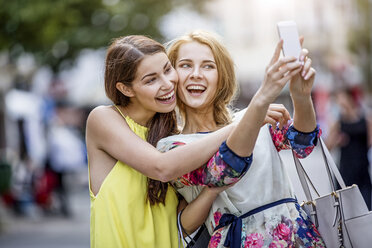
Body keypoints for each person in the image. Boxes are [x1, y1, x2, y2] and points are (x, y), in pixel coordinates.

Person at [85, 35, 291, 247]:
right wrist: (245, 122)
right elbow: (162, 167)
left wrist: (214, 186)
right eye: (151, 79)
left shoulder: (173, 138)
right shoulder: (104, 119)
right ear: (126, 89)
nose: (167, 84)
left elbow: (184, 221)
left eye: (167, 70)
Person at [157, 30, 326, 247]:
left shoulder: (253, 115)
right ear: (172, 76)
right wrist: (259, 103)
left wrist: (301, 97)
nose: (196, 74)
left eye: (208, 66)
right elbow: (223, 172)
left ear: (222, 76)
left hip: (297, 238)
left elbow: (303, 145)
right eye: (186, 65)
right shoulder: (172, 146)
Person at [326, 87, 372, 210]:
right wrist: (337, 140)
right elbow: (327, 147)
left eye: (342, 98)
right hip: (345, 170)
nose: (340, 101)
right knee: (346, 209)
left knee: (366, 206)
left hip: (362, 169)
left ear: (351, 98)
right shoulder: (338, 121)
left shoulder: (366, 118)